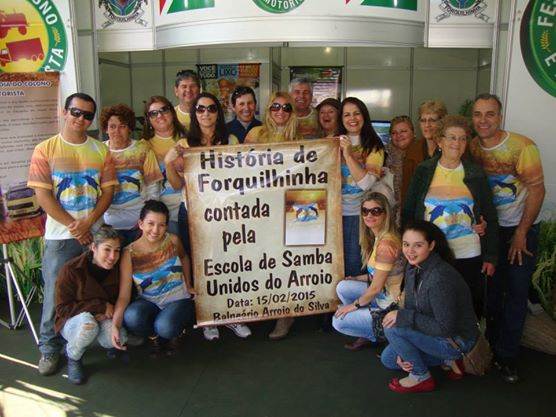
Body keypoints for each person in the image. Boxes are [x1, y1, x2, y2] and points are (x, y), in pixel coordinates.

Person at [28, 92, 117, 376]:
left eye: (87, 115)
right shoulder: (45, 149)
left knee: (96, 287)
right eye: (76, 112)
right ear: (64, 112)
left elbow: (108, 191)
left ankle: (93, 338)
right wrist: (73, 225)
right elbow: (43, 195)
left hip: (95, 235)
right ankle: (49, 350)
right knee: (56, 294)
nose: (81, 119)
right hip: (60, 237)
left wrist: (89, 222)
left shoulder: (101, 151)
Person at [470, 93, 545, 383]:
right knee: (491, 292)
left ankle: (508, 356)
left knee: (515, 292)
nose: (483, 120)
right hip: (490, 233)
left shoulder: (522, 146)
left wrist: (522, 233)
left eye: (490, 114)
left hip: (520, 231)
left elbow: (538, 191)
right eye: (478, 114)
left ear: (499, 116)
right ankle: (490, 347)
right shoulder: (472, 147)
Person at [165, 93, 250, 342]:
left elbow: (241, 176)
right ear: (195, 114)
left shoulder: (230, 140)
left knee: (229, 263)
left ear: (218, 112)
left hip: (225, 213)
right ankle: (208, 318)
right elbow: (175, 185)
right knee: (201, 266)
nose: (206, 113)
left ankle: (232, 315)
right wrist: (169, 163)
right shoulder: (184, 143)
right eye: (200, 109)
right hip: (192, 212)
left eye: (211, 109)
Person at [403, 115, 498, 320]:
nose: (457, 143)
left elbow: (490, 215)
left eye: (463, 138)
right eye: (452, 137)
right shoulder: (424, 170)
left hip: (468, 252)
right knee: (432, 309)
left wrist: (491, 256)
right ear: (440, 141)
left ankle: (467, 351)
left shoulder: (475, 173)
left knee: (468, 307)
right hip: (433, 254)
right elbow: (409, 211)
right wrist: (408, 249)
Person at [381, 220, 479, 393]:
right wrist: (402, 351)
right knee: (389, 358)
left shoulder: (439, 278)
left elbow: (445, 328)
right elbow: (412, 308)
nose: (410, 251)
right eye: (406, 244)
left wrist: (403, 317)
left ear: (431, 245)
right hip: (431, 331)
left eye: (418, 245)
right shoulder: (413, 268)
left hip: (456, 340)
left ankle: (421, 377)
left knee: (393, 328)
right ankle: (446, 361)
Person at [111, 200, 195, 357]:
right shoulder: (129, 254)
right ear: (140, 224)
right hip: (150, 302)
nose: (155, 230)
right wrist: (115, 325)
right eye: (151, 223)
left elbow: (184, 258)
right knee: (132, 316)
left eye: (161, 225)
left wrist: (188, 284)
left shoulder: (173, 240)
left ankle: (174, 333)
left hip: (178, 300)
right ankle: (155, 337)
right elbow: (123, 295)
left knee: (165, 326)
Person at [332, 192, 403, 351]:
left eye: (376, 211)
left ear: (386, 214)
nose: (369, 215)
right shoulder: (379, 236)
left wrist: (353, 306)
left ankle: (384, 334)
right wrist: (356, 278)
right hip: (382, 295)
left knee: (338, 321)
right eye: (365, 211)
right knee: (344, 286)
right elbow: (376, 275)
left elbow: (376, 287)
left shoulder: (386, 244)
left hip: (390, 304)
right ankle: (371, 332)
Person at [55, 225, 125, 385]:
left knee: (121, 337)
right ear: (94, 247)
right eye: (107, 249)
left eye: (117, 251)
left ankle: (107, 344)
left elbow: (124, 297)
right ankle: (73, 356)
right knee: (88, 325)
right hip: (74, 321)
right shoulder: (71, 269)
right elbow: (62, 309)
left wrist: (108, 311)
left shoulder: (119, 269)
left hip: (105, 317)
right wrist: (98, 306)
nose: (112, 256)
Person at [100, 104, 163, 246]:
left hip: (138, 223)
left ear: (129, 128)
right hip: (108, 225)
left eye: (122, 126)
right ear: (105, 128)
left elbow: (153, 187)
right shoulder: (98, 151)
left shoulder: (143, 149)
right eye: (112, 126)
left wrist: (146, 219)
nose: (117, 131)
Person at [339, 97, 385, 278]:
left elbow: (365, 183)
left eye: (357, 113)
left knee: (355, 267)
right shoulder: (332, 143)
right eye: (347, 114)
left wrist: (348, 155)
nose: (352, 118)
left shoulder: (374, 146)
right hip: (333, 216)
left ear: (364, 116)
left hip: (360, 216)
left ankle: (356, 304)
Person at [142, 96, 187, 235]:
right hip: (165, 213)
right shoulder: (144, 146)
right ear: (148, 119)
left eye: (164, 110)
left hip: (192, 206)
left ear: (172, 112)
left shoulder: (190, 137)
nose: (160, 115)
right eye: (153, 113)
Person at [385, 116, 422, 210]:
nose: (398, 135)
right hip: (389, 208)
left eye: (403, 131)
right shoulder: (383, 154)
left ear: (413, 133)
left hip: (415, 208)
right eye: (394, 133)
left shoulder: (422, 151)